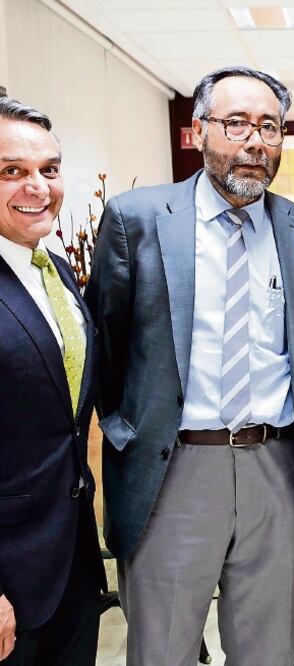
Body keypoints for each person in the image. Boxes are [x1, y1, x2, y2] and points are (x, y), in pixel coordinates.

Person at [86, 66, 294, 664]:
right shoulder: (136, 219)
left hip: (276, 469)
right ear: (198, 132)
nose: (255, 141)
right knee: (163, 647)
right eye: (236, 123)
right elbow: (107, 348)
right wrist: (127, 432)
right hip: (174, 469)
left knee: (268, 650)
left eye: (269, 127)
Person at [0, 97, 105, 666]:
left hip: (69, 561)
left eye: (49, 169)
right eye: (11, 171)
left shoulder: (53, 268)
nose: (38, 187)